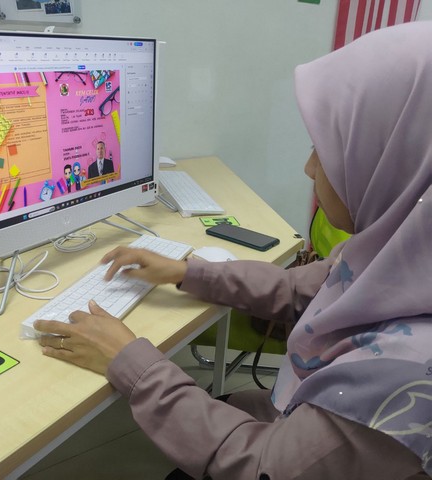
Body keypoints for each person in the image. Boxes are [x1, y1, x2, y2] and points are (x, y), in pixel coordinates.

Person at [34, 22, 431, 480]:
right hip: (293, 421)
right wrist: (186, 272)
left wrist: (131, 363)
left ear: (398, 160)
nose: (308, 168)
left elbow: (262, 467)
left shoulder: (403, 376)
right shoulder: (399, 259)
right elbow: (298, 288)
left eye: (325, 149)